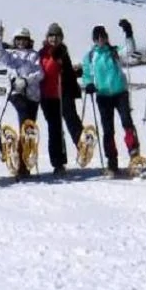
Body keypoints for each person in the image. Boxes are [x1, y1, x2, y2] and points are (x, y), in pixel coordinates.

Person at [80, 20, 142, 176]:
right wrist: (88, 84)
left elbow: (129, 49)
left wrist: (129, 33)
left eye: (103, 36)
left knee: (127, 123)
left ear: (107, 37)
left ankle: (134, 154)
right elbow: (87, 74)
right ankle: (112, 162)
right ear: (94, 40)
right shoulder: (90, 56)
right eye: (97, 37)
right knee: (108, 130)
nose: (100, 40)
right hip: (103, 95)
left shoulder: (114, 51)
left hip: (120, 92)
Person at [0, 26, 44, 179]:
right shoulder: (11, 55)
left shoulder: (34, 55)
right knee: (25, 123)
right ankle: (20, 163)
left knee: (30, 129)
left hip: (33, 95)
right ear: (15, 40)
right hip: (16, 93)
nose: (21, 42)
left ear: (29, 41)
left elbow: (40, 73)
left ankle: (25, 164)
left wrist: (27, 81)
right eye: (18, 39)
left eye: (24, 39)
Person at [38, 23, 83, 176]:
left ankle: (82, 146)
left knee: (71, 119)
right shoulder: (41, 53)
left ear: (61, 38)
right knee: (55, 129)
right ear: (47, 37)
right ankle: (58, 163)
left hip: (63, 92)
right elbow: (43, 71)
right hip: (47, 96)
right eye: (51, 35)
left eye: (57, 36)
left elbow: (67, 72)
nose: (54, 38)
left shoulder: (63, 51)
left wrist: (70, 71)